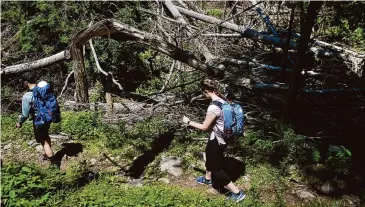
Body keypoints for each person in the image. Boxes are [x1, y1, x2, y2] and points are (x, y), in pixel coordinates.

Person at [182, 79, 245, 202]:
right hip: (224, 138)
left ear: (206, 91)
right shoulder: (224, 101)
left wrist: (189, 122)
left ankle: (237, 193)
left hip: (218, 139)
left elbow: (204, 127)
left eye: (203, 92)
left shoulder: (213, 107)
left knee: (215, 168)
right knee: (210, 156)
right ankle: (207, 179)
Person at [16, 72, 55, 165]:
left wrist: (20, 123)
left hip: (38, 120)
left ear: (26, 82)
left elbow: (25, 115)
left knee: (43, 141)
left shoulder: (27, 96)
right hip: (48, 117)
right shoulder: (43, 89)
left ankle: (54, 164)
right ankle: (48, 154)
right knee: (46, 136)